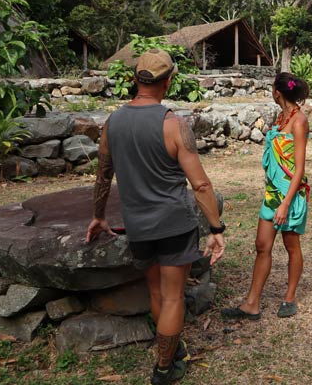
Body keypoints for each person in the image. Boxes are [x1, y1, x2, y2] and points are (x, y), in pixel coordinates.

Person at [85, 49, 226, 385]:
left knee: (157, 294)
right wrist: (216, 229)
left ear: (136, 79)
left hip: (138, 225)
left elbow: (103, 175)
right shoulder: (173, 124)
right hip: (174, 223)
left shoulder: (112, 122)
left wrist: (98, 216)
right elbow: (201, 184)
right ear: (170, 81)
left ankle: (171, 350)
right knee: (174, 295)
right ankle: (164, 368)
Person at [222, 72, 310, 320]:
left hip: (290, 196)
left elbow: (299, 168)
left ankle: (289, 298)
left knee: (291, 246)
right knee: (262, 245)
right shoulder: (281, 117)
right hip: (272, 193)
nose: (271, 92)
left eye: (272, 88)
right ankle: (252, 304)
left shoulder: (299, 121)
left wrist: (285, 205)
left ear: (278, 92)